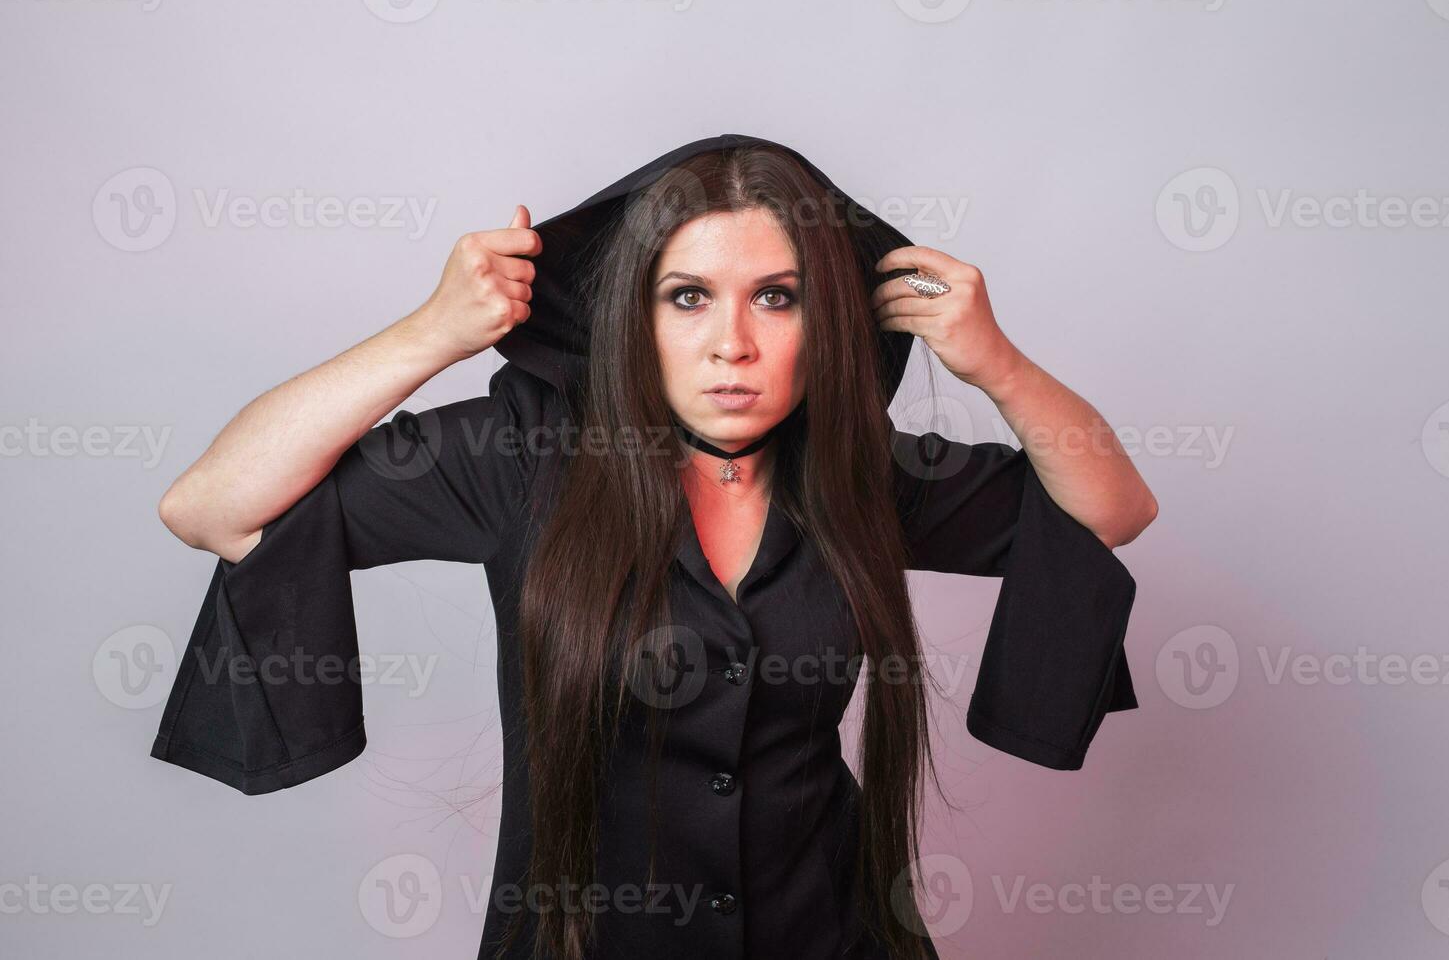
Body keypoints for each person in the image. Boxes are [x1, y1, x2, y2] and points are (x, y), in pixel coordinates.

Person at [152, 134, 1157, 960]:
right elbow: (212, 506)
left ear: (827, 318)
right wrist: (432, 332)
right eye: (689, 297)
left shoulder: (861, 471)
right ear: (634, 312)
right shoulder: (522, 455)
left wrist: (1001, 365)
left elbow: (1109, 510)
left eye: (777, 295)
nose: (734, 344)